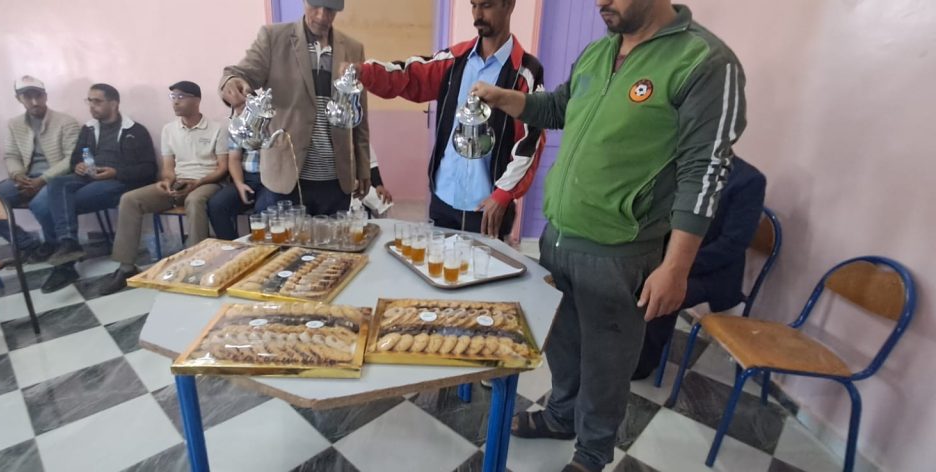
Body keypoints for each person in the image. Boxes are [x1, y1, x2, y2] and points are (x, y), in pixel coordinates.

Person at [472, 1, 747, 470]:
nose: (601, 2)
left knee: (607, 362)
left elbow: (705, 171)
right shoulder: (600, 52)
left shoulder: (704, 62)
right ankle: (561, 415)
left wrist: (676, 267)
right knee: (562, 344)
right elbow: (558, 107)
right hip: (559, 237)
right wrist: (504, 98)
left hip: (619, 251)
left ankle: (593, 452)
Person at [351, 0, 544, 238]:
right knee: (437, 262)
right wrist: (364, 72)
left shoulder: (525, 72)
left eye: (486, 5)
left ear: (509, 5)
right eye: (473, 5)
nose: (478, 14)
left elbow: (531, 140)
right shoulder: (454, 60)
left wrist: (504, 194)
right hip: (443, 200)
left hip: (487, 209)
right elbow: (408, 76)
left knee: (484, 264)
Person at [218, 0, 371, 216]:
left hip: (336, 179)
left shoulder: (353, 48)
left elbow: (359, 114)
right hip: (286, 177)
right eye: (315, 6)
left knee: (334, 239)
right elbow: (239, 73)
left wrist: (364, 167)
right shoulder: (273, 38)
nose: (321, 16)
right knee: (285, 239)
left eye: (330, 9)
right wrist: (231, 83)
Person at [633, 156, 765, 379]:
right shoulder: (686, 165)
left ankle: (641, 364)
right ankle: (617, 348)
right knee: (627, 275)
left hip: (712, 272)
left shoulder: (749, 180)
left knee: (661, 292)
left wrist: (675, 265)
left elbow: (732, 244)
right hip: (672, 259)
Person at [97, 81, 229, 295]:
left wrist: (198, 183)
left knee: (195, 200)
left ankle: (196, 266)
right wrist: (166, 181)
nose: (175, 102)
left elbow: (222, 168)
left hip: (207, 182)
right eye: (173, 97)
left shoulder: (217, 129)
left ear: (196, 100)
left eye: (181, 97)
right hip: (178, 182)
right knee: (130, 199)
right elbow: (168, 167)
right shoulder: (169, 129)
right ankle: (126, 267)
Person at [39, 83, 158, 293]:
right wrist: (79, 165)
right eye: (89, 101)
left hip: (117, 182)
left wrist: (116, 172)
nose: (92, 106)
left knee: (57, 205)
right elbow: (76, 157)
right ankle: (68, 243)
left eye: (97, 101)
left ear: (114, 104)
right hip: (88, 177)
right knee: (56, 185)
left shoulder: (135, 131)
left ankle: (65, 263)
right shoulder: (88, 129)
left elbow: (149, 169)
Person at [0, 76, 80, 261]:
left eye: (38, 96)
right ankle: (27, 244)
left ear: (45, 96)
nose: (35, 102)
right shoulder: (14, 124)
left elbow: (72, 158)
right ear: (19, 99)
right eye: (28, 97)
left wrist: (42, 180)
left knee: (39, 204)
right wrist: (18, 175)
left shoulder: (66, 121)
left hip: (55, 178)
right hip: (26, 177)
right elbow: (11, 155)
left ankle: (55, 244)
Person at [206, 142, 279, 240]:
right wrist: (239, 184)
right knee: (217, 205)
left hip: (275, 177)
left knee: (263, 208)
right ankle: (231, 245)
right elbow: (234, 159)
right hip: (247, 177)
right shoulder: (238, 131)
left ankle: (263, 247)